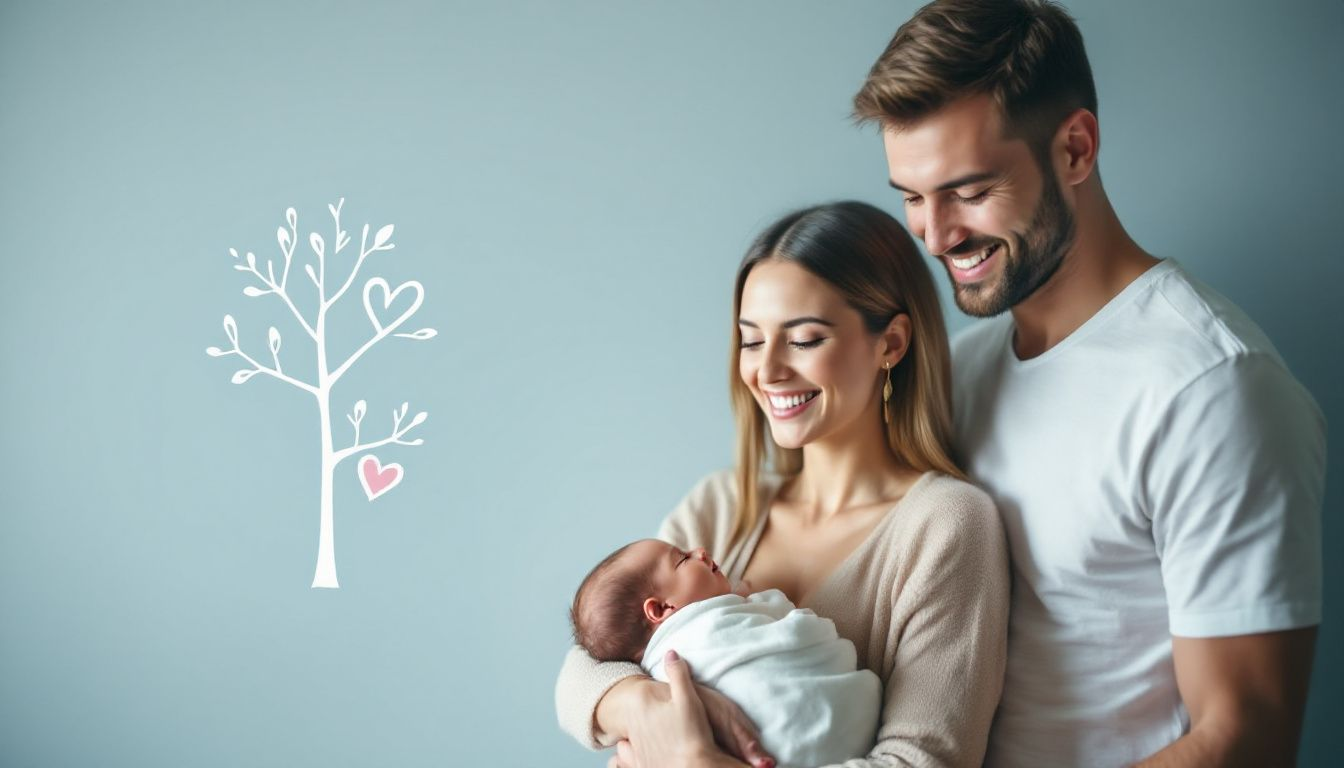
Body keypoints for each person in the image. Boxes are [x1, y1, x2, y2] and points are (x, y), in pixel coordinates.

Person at [851, 1, 1326, 766]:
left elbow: (1246, 738)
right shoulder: (956, 375)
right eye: (911, 195)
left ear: (1074, 149)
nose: (935, 235)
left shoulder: (1211, 388)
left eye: (968, 190)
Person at [554, 201, 1010, 768]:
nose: (767, 371)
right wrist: (643, 705)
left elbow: (925, 759)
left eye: (804, 339)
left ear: (890, 344)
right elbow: (586, 664)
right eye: (751, 340)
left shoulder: (946, 525)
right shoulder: (722, 508)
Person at [569, 538, 881, 767]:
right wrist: (640, 703)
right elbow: (575, 677)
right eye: (683, 558)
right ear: (662, 608)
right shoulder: (714, 502)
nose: (700, 551)